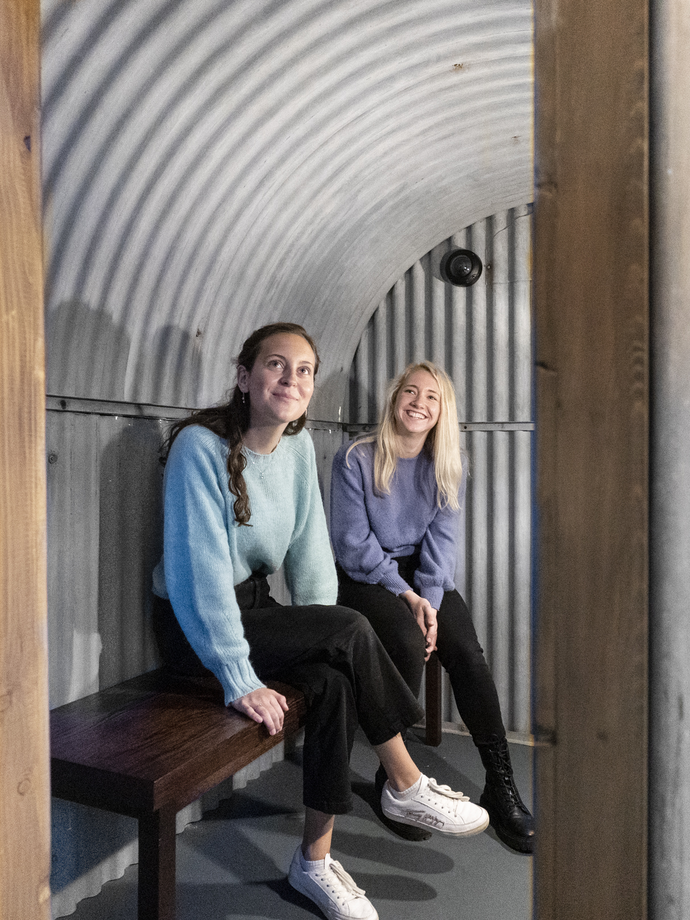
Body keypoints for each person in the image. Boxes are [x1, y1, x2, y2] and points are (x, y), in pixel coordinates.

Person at [151, 324, 490, 920]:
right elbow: (196, 577)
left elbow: (310, 552)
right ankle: (406, 783)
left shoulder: (297, 447)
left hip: (253, 608)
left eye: (304, 370)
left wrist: (324, 622)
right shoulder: (199, 448)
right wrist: (237, 675)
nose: (292, 379)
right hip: (196, 625)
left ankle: (313, 861)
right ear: (245, 377)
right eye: (277, 365)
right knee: (351, 630)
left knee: (335, 673)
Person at [330, 361, 535, 854]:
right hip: (366, 575)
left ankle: (500, 783)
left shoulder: (447, 462)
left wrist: (431, 601)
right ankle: (393, 782)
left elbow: (442, 545)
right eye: (410, 391)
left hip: (424, 575)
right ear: (394, 397)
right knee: (403, 639)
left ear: (443, 410)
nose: (419, 403)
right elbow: (352, 545)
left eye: (432, 397)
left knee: (464, 648)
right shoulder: (355, 457)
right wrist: (407, 596)